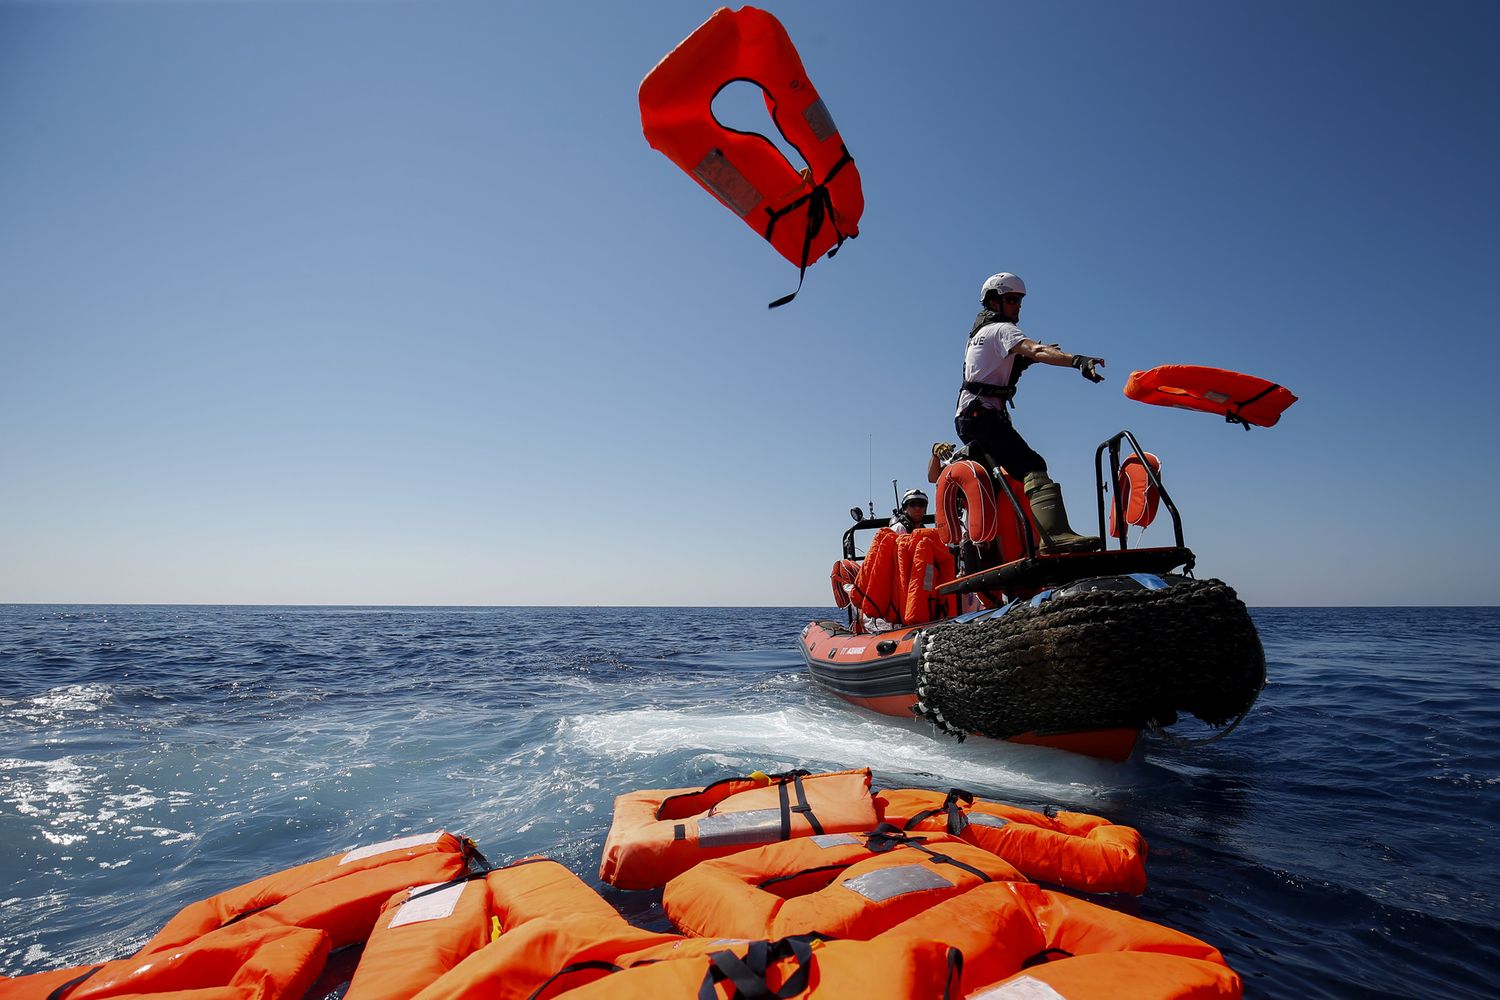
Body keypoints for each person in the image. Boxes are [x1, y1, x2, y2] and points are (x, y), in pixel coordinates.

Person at [953, 272, 1105, 553]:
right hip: (982, 415)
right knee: (1032, 464)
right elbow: (1035, 350)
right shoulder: (1002, 330)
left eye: (1019, 300)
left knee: (1011, 477)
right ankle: (1054, 536)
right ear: (993, 303)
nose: (1017, 306)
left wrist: (1026, 360)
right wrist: (1078, 361)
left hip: (971, 417)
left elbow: (997, 367)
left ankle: (1008, 545)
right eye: (1011, 300)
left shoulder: (979, 335)